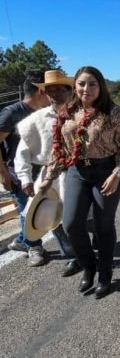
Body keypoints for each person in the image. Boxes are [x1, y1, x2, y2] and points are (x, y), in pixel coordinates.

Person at [39, 66, 120, 299]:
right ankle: (88, 266)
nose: (86, 89)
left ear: (100, 87)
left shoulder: (113, 112)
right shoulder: (66, 112)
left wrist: (117, 173)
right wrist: (48, 177)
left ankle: (104, 272)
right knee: (71, 224)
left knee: (103, 225)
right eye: (81, 84)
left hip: (107, 171)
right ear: (75, 86)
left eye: (92, 84)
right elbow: (59, 148)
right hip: (76, 171)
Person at [14, 70, 81, 275]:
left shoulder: (83, 114)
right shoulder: (35, 120)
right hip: (50, 178)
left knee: (86, 218)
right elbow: (22, 152)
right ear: (45, 93)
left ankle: (94, 252)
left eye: (62, 89)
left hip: (81, 173)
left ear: (71, 91)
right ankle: (73, 257)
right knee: (55, 220)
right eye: (51, 90)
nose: (57, 94)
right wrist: (25, 177)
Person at [1, 73, 50, 264]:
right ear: (40, 91)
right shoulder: (12, 113)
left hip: (40, 171)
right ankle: (34, 248)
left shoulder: (44, 111)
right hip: (19, 172)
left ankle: (23, 239)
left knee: (41, 209)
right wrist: (4, 174)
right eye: (50, 91)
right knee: (27, 210)